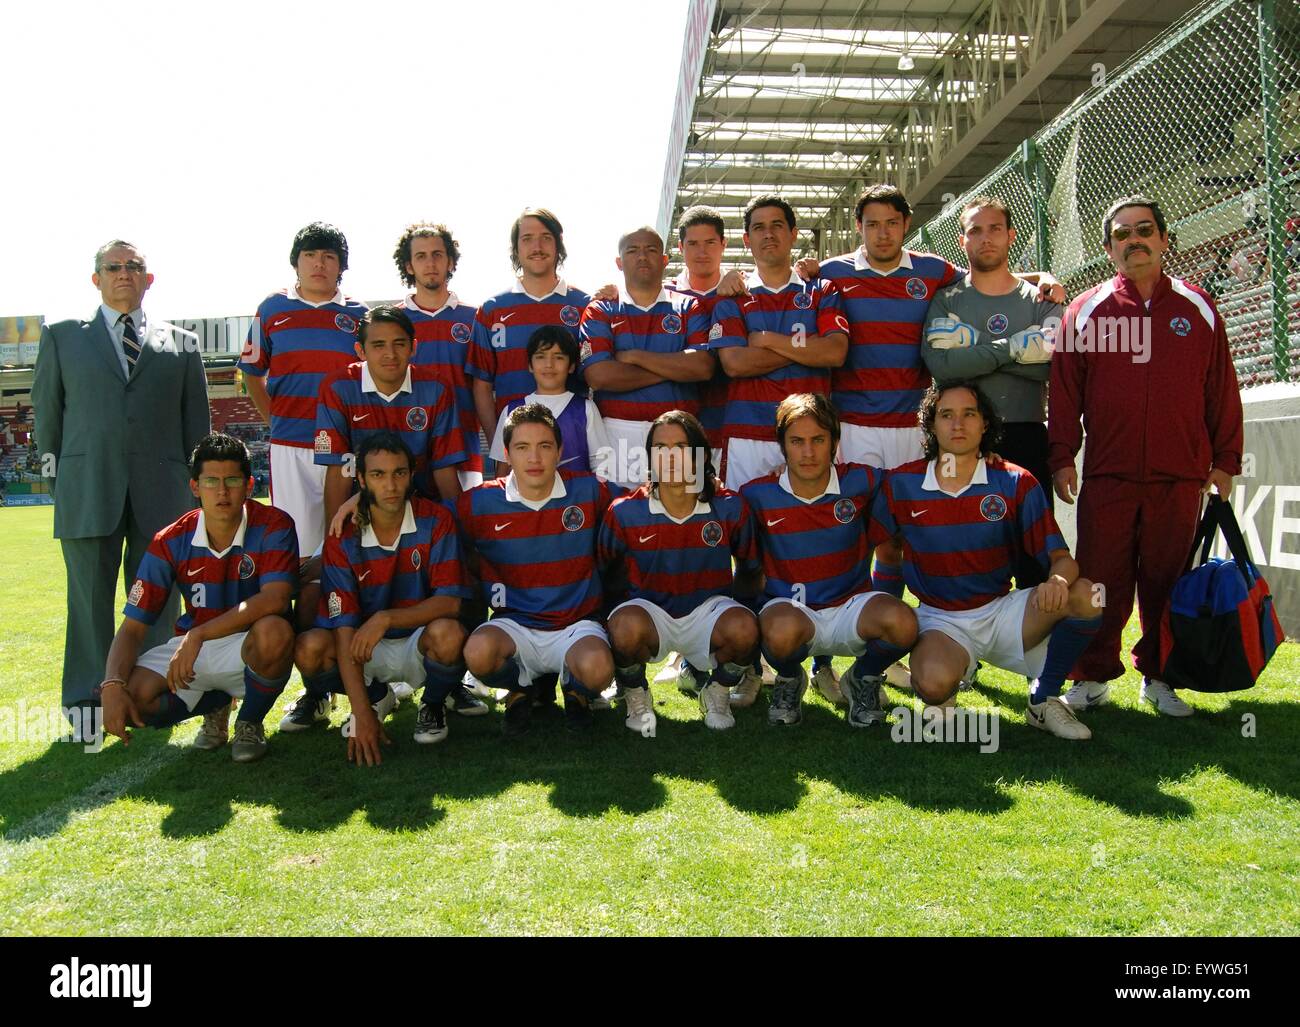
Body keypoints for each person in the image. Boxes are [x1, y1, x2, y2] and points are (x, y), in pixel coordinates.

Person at [1049, 195, 1242, 717]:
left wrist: (1226, 460)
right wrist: (1063, 454)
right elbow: (1065, 390)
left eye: (1144, 230)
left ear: (1162, 238)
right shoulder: (1085, 310)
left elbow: (1221, 388)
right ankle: (1091, 674)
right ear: (1110, 248)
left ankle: (1159, 675)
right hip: (1108, 473)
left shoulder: (1198, 307)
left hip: (1180, 475)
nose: (1134, 240)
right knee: (1100, 580)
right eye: (1122, 234)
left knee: (1166, 579)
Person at [33, 239, 211, 727]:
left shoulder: (182, 344)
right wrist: (62, 485)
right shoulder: (63, 336)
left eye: (134, 266)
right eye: (114, 267)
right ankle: (88, 701)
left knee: (156, 601)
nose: (124, 274)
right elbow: (47, 422)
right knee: (88, 601)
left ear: (148, 279)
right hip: (87, 490)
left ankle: (151, 693)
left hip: (163, 494)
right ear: (97, 279)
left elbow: (197, 430)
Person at [870, 382, 1102, 739]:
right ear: (931, 425)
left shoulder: (1014, 481)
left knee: (1089, 596)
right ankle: (946, 682)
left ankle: (1044, 699)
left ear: (985, 425)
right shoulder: (901, 484)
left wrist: (1057, 580)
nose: (958, 424)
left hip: (1001, 612)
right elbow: (887, 556)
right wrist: (888, 625)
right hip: (939, 619)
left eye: (969, 414)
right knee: (932, 685)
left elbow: (1061, 558)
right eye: (946, 415)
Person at [98, 434, 297, 761]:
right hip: (195, 648)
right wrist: (111, 684)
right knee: (133, 694)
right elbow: (133, 628)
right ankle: (216, 705)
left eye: (232, 480)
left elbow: (275, 599)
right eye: (211, 481)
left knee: (275, 631)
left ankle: (249, 721)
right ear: (195, 487)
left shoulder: (274, 525)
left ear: (248, 485)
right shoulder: (171, 539)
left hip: (245, 644)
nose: (222, 491)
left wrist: (198, 634)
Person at [289, 433, 470, 761]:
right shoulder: (343, 534)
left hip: (418, 638)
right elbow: (343, 629)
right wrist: (361, 712)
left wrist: (385, 618)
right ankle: (376, 697)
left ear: (411, 475)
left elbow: (450, 602)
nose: (390, 484)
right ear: (360, 479)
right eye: (378, 474)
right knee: (310, 648)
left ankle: (432, 704)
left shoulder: (436, 520)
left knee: (450, 634)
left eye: (399, 473)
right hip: (365, 645)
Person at [740, 394, 916, 724]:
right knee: (777, 631)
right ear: (782, 445)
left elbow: (920, 479)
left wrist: (981, 461)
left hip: (850, 610)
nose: (808, 452)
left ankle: (862, 677)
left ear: (835, 441)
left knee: (904, 622)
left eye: (818, 440)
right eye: (797, 441)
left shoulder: (862, 481)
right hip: (792, 611)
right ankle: (790, 677)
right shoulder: (755, 495)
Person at [922, 195, 1062, 591]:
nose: (986, 238)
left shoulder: (1040, 298)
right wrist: (1018, 347)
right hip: (961, 440)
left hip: (1026, 434)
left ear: (1011, 236)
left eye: (995, 229)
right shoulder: (946, 299)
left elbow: (1052, 362)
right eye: (975, 231)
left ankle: (1033, 650)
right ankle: (963, 648)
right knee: (969, 555)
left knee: (1035, 561)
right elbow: (943, 366)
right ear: (962, 241)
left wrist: (975, 344)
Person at [457, 404, 620, 737]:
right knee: (478, 652)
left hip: (576, 626)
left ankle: (575, 691)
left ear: (559, 451)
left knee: (598, 668)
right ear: (506, 453)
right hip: (514, 624)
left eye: (544, 446)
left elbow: (637, 508)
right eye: (522, 447)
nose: (534, 458)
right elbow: (434, 526)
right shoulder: (478, 503)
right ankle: (520, 687)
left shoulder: (590, 491)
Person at [598, 411, 760, 735]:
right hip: (650, 613)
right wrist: (618, 617)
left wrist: (739, 615)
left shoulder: (729, 507)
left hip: (707, 611)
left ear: (699, 453)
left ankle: (716, 691)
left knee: (745, 628)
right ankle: (636, 693)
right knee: (623, 627)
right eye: (660, 448)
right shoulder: (625, 511)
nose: (670, 457)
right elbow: (605, 572)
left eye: (680, 447)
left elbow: (750, 568)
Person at [238, 222, 367, 558]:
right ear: (296, 262)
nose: (319, 264)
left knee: (344, 541)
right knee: (299, 547)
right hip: (290, 445)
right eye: (310, 255)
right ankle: (300, 612)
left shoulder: (360, 315)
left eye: (328, 256)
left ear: (341, 266)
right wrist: (275, 422)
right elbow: (252, 374)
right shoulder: (272, 309)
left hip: (344, 446)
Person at [580, 226, 714, 488]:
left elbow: (702, 368)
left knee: (686, 517)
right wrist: (673, 367)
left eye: (651, 250)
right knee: (620, 516)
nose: (642, 257)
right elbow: (599, 376)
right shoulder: (601, 308)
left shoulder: (688, 306)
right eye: (633, 251)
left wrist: (634, 356)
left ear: (665, 260)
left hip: (681, 433)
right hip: (616, 433)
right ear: (619, 262)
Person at [314, 304, 465, 528]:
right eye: (378, 345)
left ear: (413, 347)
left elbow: (444, 469)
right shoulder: (338, 388)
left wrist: (461, 534)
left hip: (421, 509)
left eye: (399, 344)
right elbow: (340, 469)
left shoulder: (436, 388)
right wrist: (332, 541)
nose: (390, 354)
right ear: (360, 350)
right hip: (361, 509)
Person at [465, 207, 591, 441]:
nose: (537, 247)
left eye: (546, 238)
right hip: (517, 450)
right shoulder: (492, 310)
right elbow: (482, 385)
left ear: (558, 244)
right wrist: (499, 444)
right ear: (516, 248)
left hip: (574, 444)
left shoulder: (586, 307)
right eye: (527, 239)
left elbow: (596, 375)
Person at [392, 222, 485, 490]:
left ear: (451, 262)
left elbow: (484, 384)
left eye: (437, 255)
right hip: (406, 450)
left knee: (464, 528)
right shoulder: (394, 321)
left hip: (464, 450)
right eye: (420, 256)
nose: (430, 263)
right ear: (409, 265)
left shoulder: (475, 318)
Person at [488, 326, 611, 476]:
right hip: (524, 499)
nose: (549, 365)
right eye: (540, 357)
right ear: (530, 365)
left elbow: (602, 469)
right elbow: (503, 471)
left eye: (559, 357)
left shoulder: (586, 409)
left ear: (571, 366)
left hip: (576, 498)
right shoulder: (511, 411)